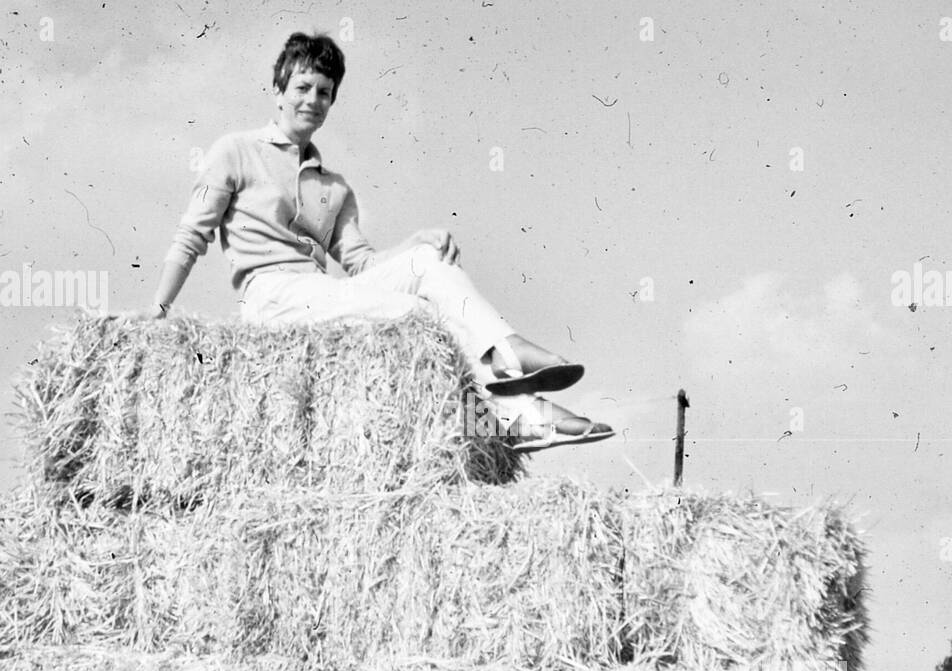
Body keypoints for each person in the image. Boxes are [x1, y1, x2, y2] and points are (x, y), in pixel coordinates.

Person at [147, 32, 612, 451]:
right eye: (302, 88)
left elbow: (361, 265)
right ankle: (517, 413)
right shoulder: (235, 151)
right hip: (270, 296)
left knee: (430, 261)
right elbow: (192, 235)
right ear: (278, 92)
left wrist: (413, 243)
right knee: (417, 316)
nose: (312, 100)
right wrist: (159, 311)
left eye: (324, 93)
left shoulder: (334, 187)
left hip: (319, 294)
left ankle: (505, 355)